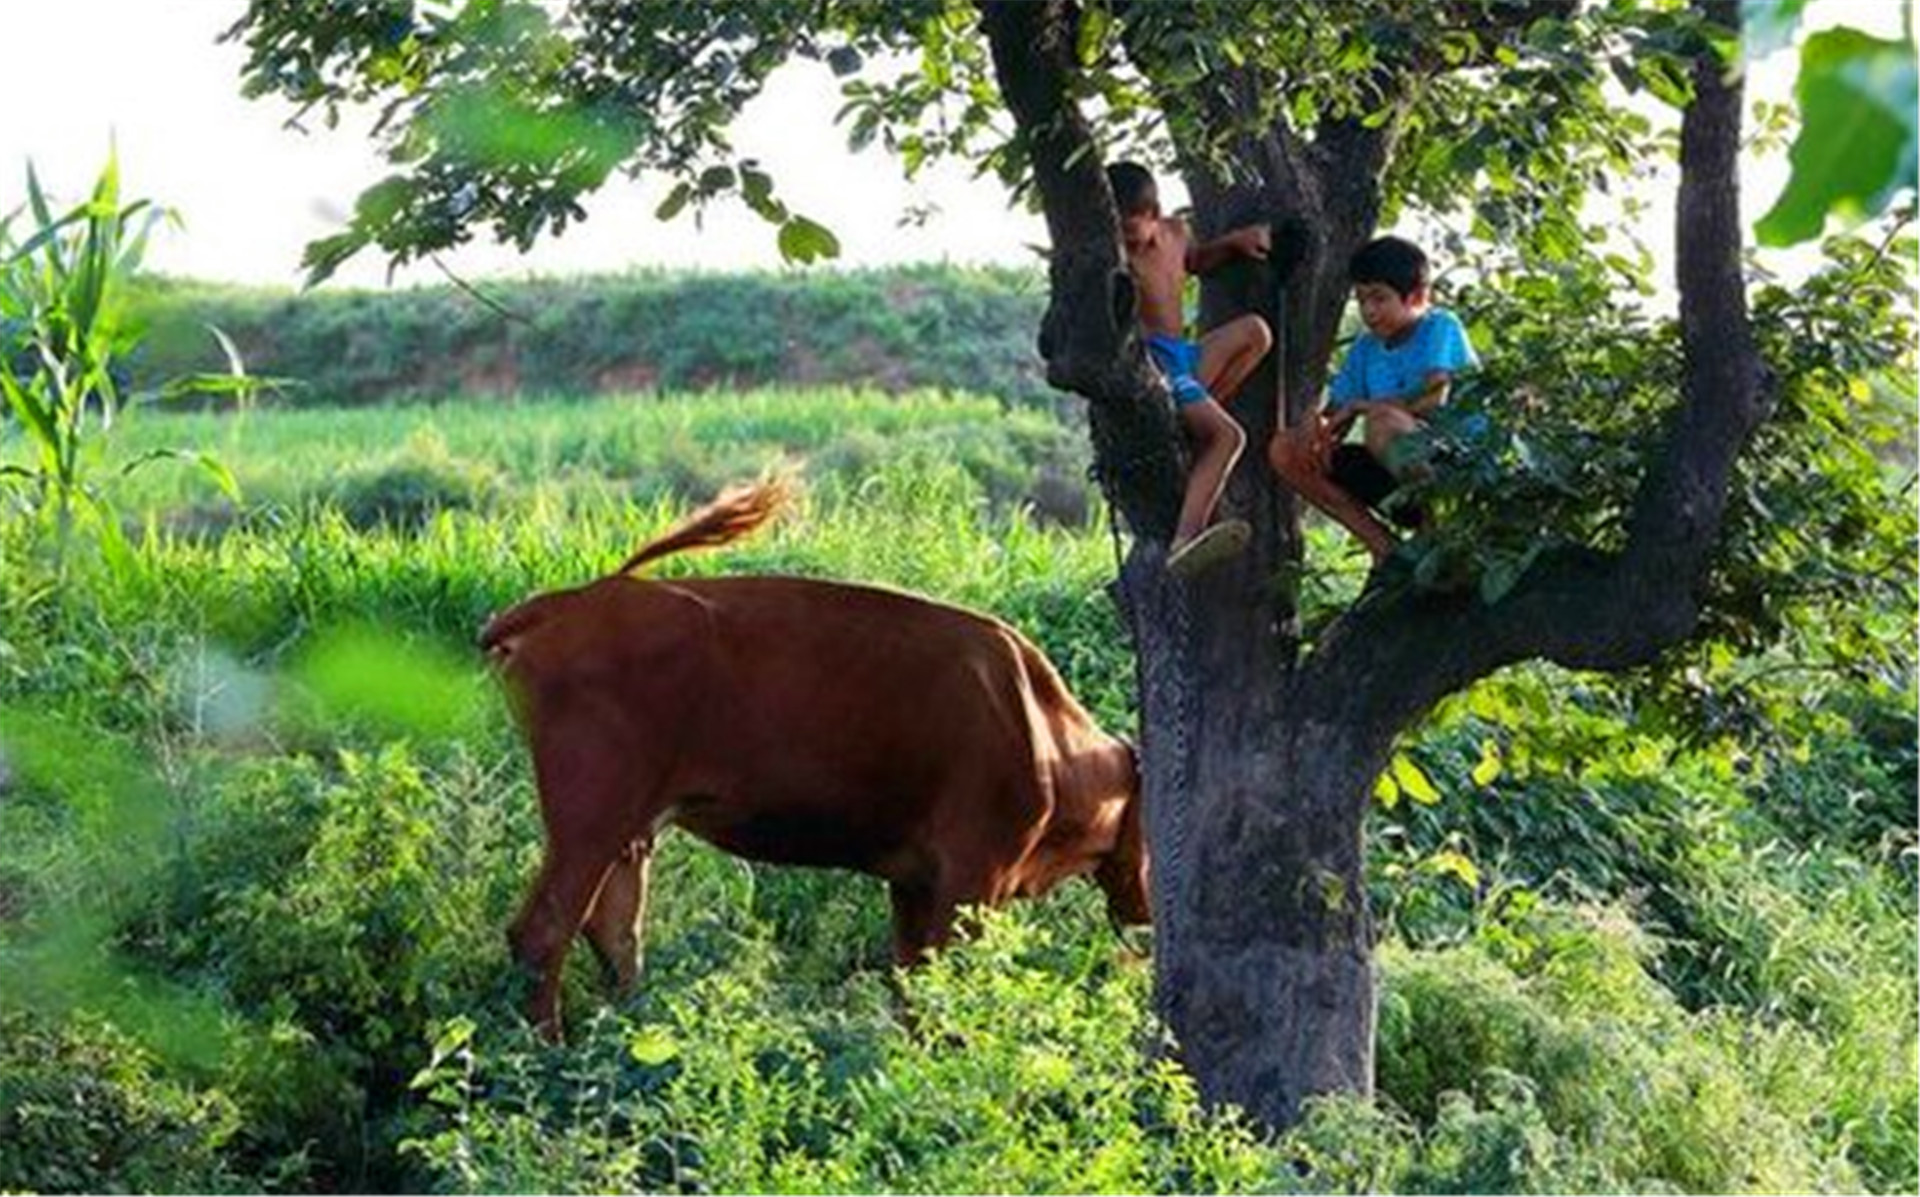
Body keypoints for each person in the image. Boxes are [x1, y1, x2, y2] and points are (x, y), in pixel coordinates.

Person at [1107, 161, 1275, 577]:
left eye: (1131, 233)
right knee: (1229, 436)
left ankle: (1195, 416)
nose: (1125, 244)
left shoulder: (1177, 232)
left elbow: (1196, 260)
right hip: (1157, 363)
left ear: (1154, 215)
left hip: (1184, 356)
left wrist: (1237, 242)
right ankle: (1186, 540)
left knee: (1256, 331)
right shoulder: (1114, 263)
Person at [1268, 235, 1478, 562]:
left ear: (1417, 297)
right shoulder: (1365, 348)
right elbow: (1335, 415)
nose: (1369, 311)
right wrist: (1317, 429)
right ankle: (1386, 551)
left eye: (1379, 298)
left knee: (1382, 421)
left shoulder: (1441, 326)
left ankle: (1440, 534)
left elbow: (1435, 397)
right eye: (1362, 299)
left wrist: (1365, 407)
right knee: (1285, 449)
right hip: (1394, 477)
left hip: (1456, 474)